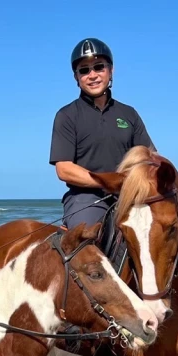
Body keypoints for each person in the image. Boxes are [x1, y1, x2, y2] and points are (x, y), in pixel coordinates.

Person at [50, 38, 156, 229]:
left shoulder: (129, 114)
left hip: (129, 195)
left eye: (99, 67)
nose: (92, 75)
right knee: (86, 243)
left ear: (111, 70)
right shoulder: (66, 115)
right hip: (86, 197)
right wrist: (109, 183)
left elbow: (149, 158)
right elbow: (64, 169)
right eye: (84, 70)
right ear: (76, 77)